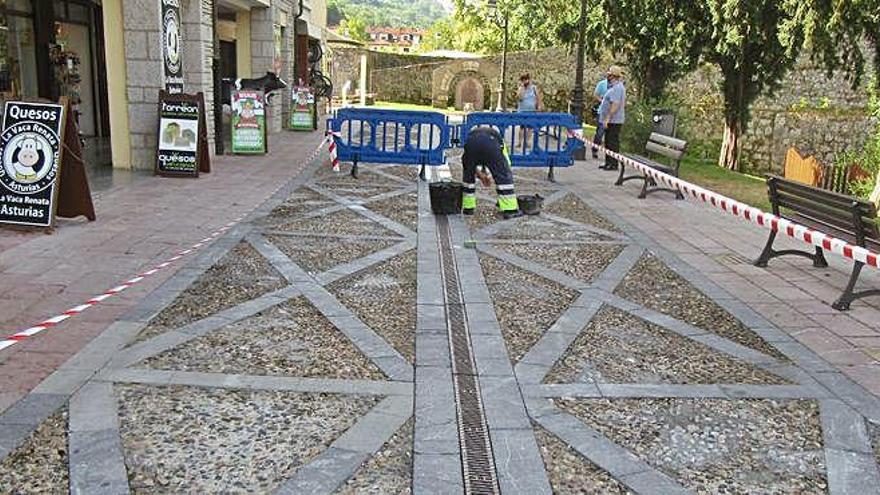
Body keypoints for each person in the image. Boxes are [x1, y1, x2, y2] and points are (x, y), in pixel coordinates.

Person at [461, 126, 522, 220]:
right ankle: (510, 209)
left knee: (468, 178)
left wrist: (482, 176)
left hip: (471, 143)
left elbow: (469, 165)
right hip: (490, 143)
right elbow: (505, 167)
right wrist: (495, 178)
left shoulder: (474, 136)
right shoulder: (499, 142)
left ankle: (468, 208)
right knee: (504, 177)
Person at [598, 65, 626, 171]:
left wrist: (607, 118)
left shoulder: (618, 88)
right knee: (608, 141)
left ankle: (613, 164)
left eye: (609, 75)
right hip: (610, 120)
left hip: (614, 121)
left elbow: (615, 105)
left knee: (612, 142)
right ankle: (608, 162)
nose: (607, 76)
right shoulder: (614, 87)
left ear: (613, 76)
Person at [516, 73, 543, 147]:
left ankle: (527, 142)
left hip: (532, 111)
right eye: (523, 80)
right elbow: (520, 98)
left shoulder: (534, 88)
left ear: (529, 80)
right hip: (522, 111)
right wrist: (522, 89)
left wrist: (539, 106)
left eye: (526, 79)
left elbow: (538, 98)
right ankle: (519, 142)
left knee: (530, 128)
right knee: (522, 127)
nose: (525, 81)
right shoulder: (520, 88)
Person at [591, 72, 611, 159]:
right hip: (602, 112)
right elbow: (596, 95)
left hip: (612, 113)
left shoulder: (617, 86)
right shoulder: (602, 84)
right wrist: (601, 101)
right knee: (600, 132)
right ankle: (595, 149)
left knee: (610, 134)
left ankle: (609, 155)